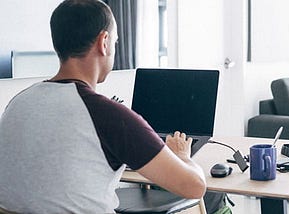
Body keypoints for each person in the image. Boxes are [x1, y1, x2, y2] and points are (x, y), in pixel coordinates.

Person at [0, 0, 206, 213]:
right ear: (104, 42)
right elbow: (195, 187)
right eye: (115, 42)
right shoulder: (109, 116)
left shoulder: (17, 104)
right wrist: (181, 155)